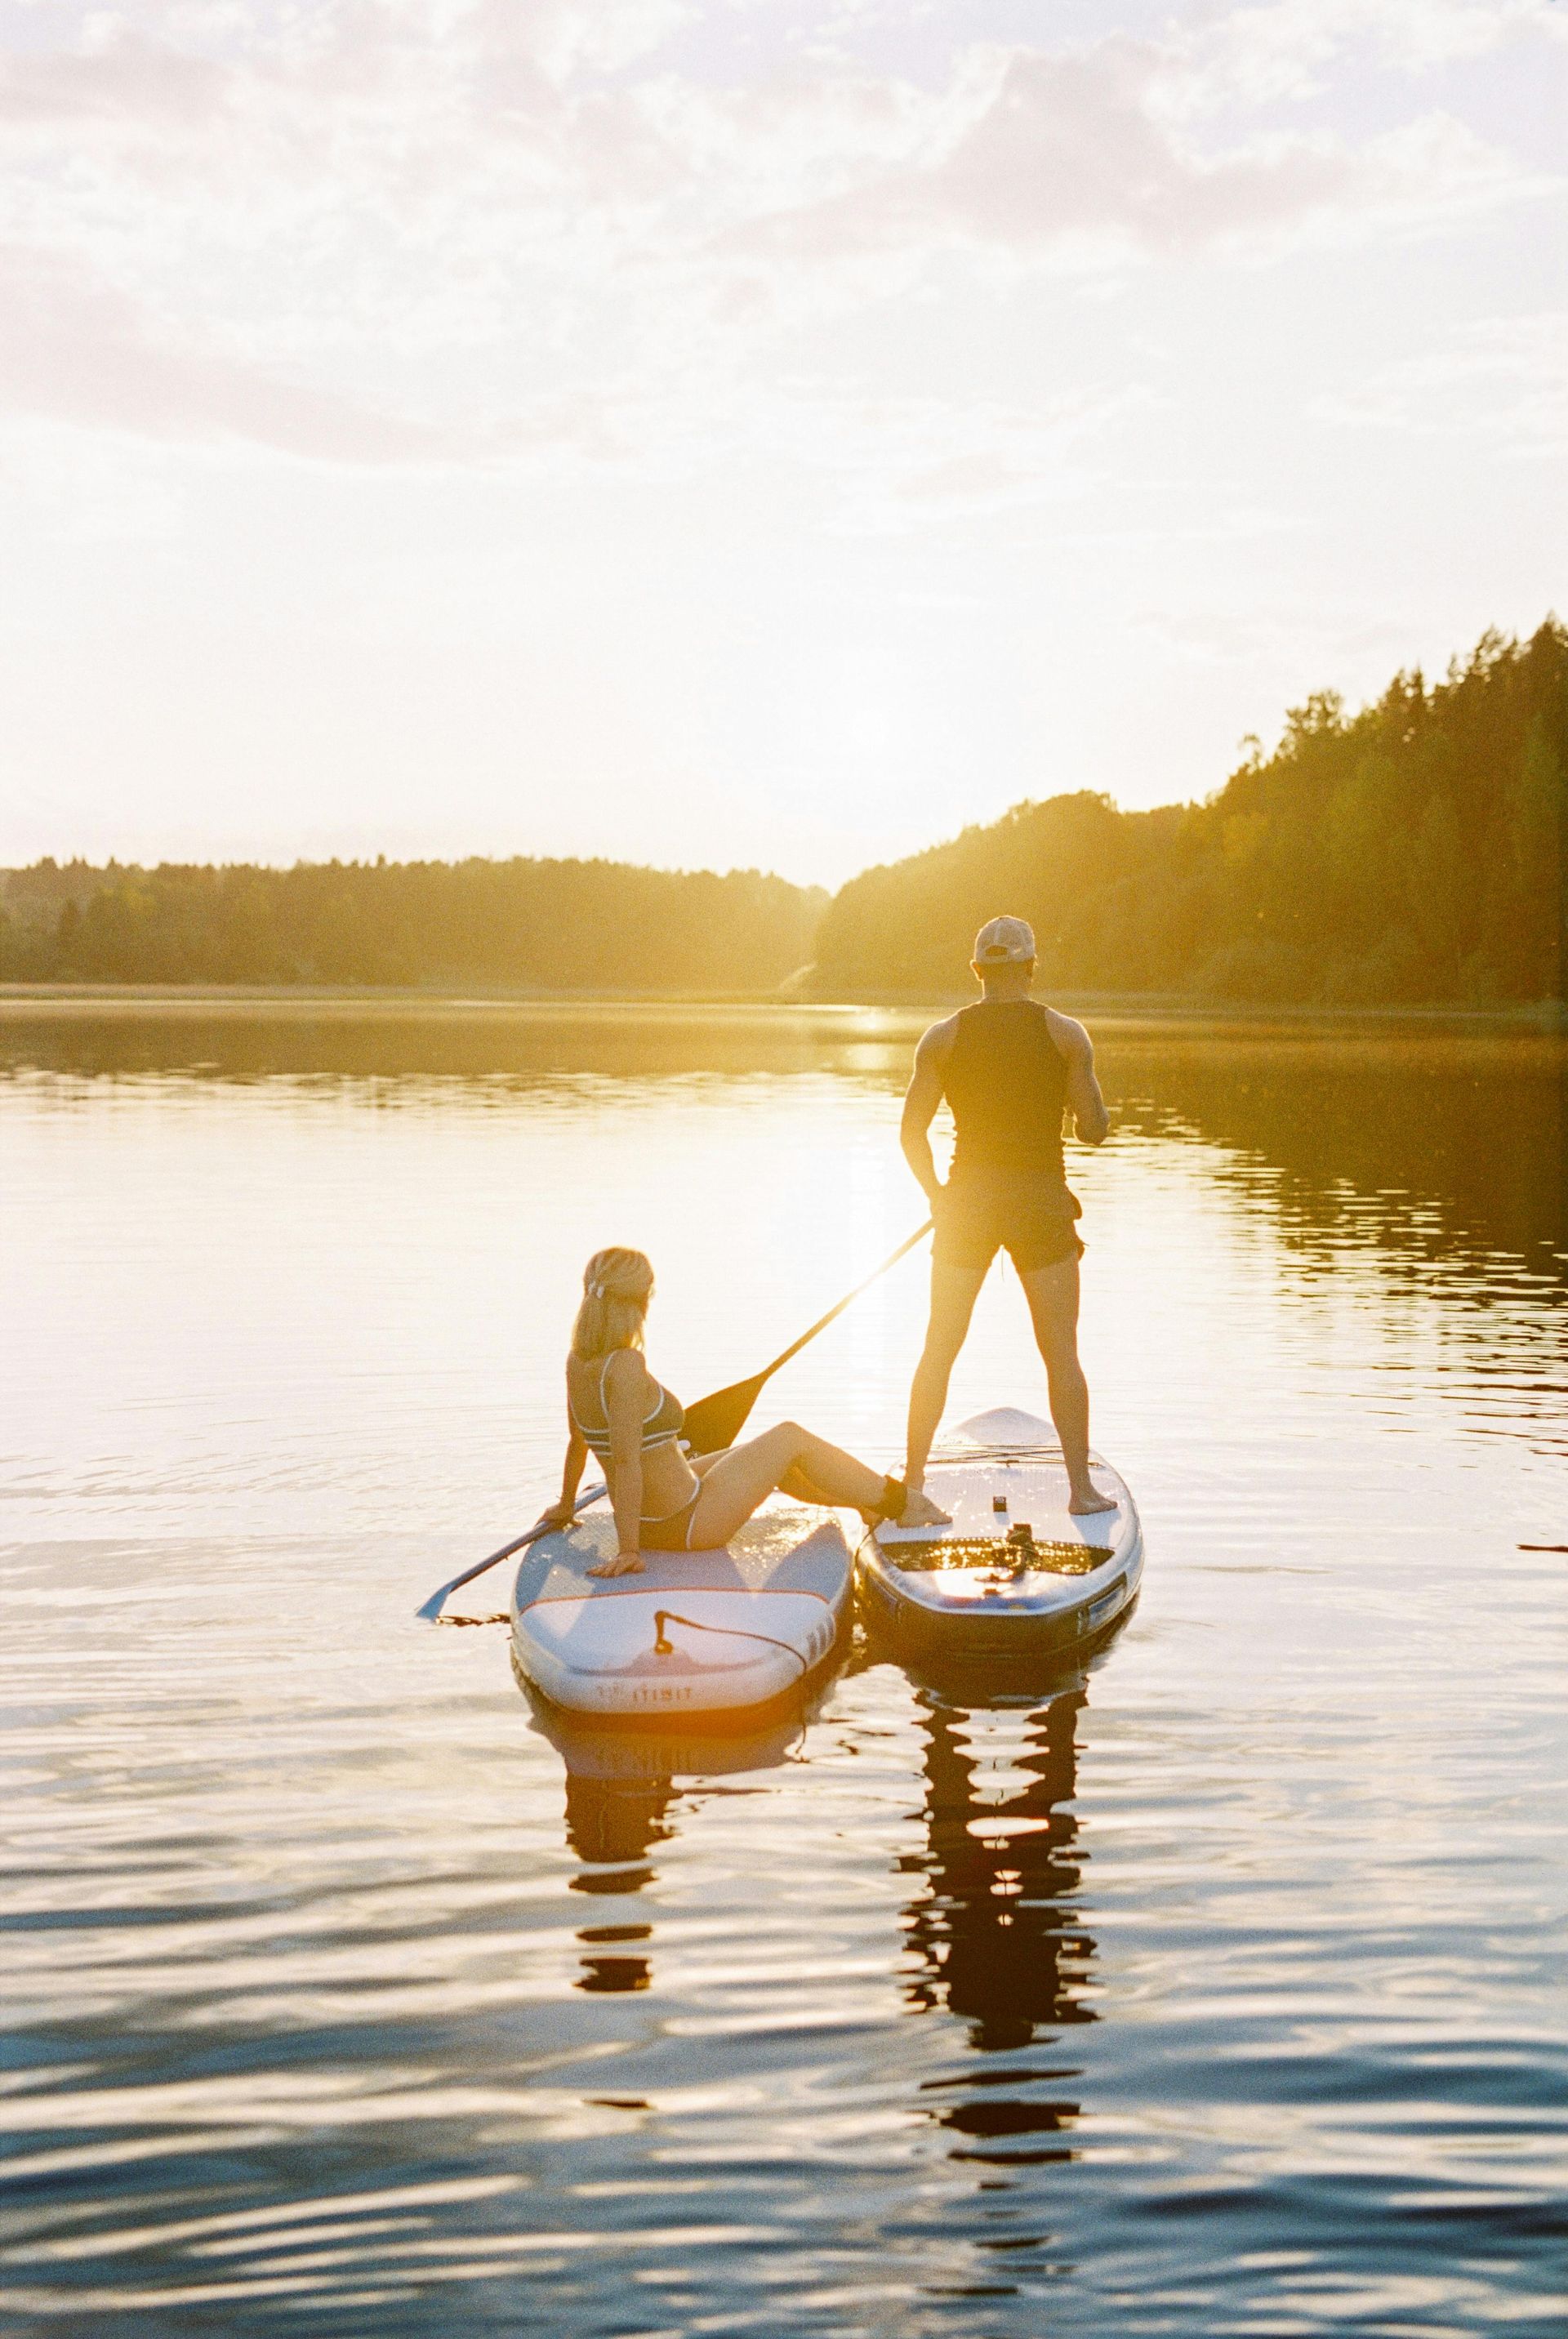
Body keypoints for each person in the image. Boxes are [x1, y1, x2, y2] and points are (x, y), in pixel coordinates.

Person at [541, 1246, 947, 1577]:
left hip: (657, 1514)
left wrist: (565, 1503)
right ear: (639, 1301)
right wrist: (628, 1550)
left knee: (765, 1454)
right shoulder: (627, 1365)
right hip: (686, 1522)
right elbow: (626, 1460)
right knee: (790, 1437)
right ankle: (902, 1504)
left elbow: (578, 1442)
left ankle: (868, 1504)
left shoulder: (577, 1361)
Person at [900, 914, 1116, 1516]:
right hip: (1040, 1203)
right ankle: (1081, 1492)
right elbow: (1094, 1131)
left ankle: (914, 1489)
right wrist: (1090, 1108)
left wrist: (938, 1197)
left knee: (938, 1348)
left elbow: (911, 1134)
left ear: (977, 971)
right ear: (1029, 968)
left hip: (968, 1203)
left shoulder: (941, 1037)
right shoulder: (1066, 1035)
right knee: (1062, 1353)